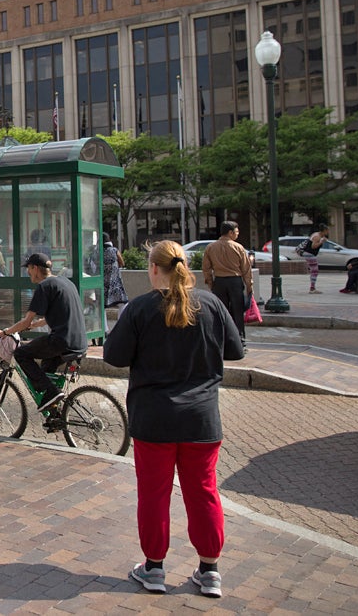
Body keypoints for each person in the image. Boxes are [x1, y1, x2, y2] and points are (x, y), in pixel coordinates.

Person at [103, 240, 244, 599]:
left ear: (153, 268)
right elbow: (235, 350)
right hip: (201, 420)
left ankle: (153, 568)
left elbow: (114, 356)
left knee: (154, 494)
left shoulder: (139, 308)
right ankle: (209, 570)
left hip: (154, 420)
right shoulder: (210, 304)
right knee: (204, 493)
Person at [0, 253, 86, 411]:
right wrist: (34, 326)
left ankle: (50, 392)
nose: (27, 272)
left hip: (61, 341)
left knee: (21, 354)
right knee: (45, 369)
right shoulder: (64, 282)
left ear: (35, 268)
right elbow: (56, 315)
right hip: (79, 342)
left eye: (28, 268)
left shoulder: (44, 286)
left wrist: (5, 332)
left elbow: (25, 321)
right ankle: (55, 411)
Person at [201, 221, 253, 344]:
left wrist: (210, 283)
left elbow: (206, 268)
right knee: (237, 312)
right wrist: (249, 286)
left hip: (219, 281)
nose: (237, 234)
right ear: (230, 233)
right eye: (236, 232)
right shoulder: (238, 247)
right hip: (235, 281)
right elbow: (246, 269)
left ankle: (221, 339)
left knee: (220, 312)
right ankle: (240, 340)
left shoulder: (210, 247)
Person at [102, 233, 129, 318]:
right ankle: (121, 322)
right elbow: (122, 263)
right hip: (115, 282)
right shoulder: (114, 250)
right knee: (123, 302)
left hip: (103, 283)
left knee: (102, 306)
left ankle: (105, 328)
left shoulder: (99, 252)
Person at [296, 226, 328, 294]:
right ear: (324, 231)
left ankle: (312, 287)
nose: (327, 232)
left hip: (309, 253)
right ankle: (312, 288)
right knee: (315, 270)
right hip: (309, 253)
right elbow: (313, 246)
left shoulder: (316, 234)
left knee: (314, 270)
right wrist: (321, 241)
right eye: (327, 230)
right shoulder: (317, 236)